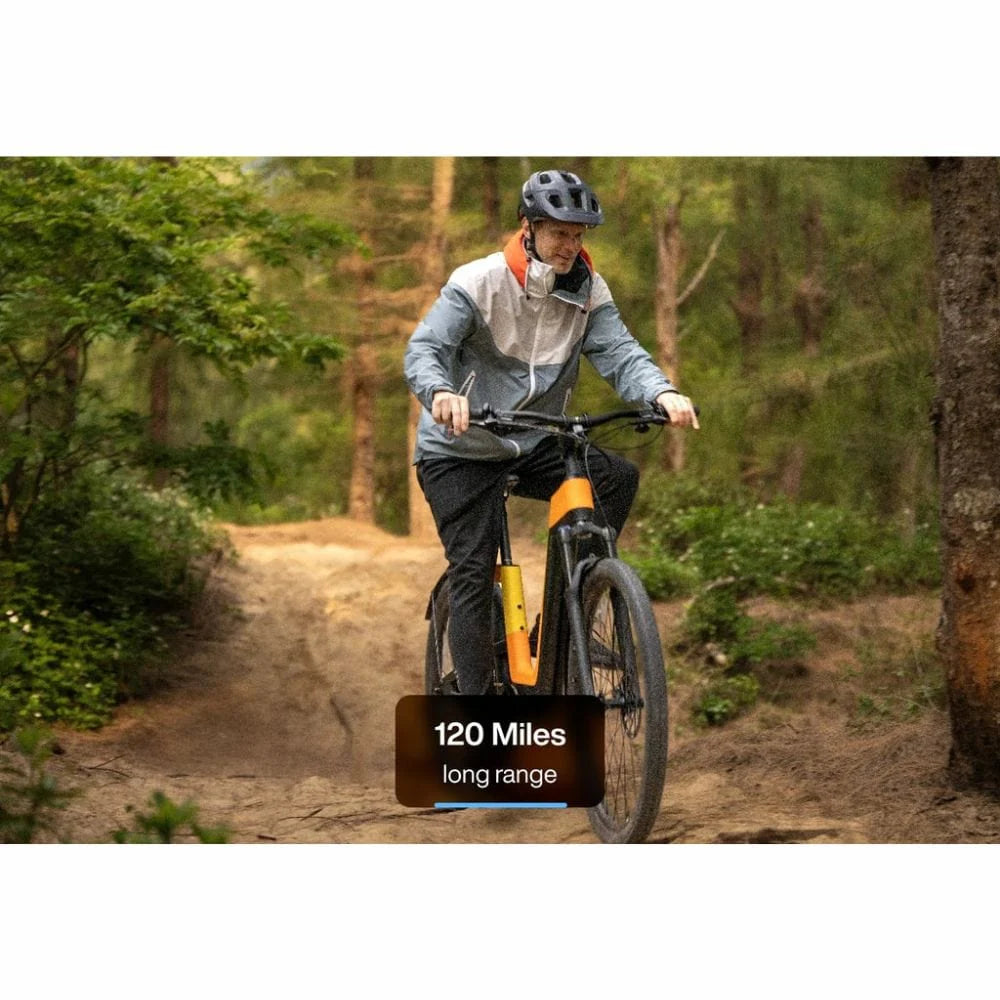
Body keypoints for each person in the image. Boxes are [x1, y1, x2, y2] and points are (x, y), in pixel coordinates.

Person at [404, 168, 698, 694]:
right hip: (460, 446)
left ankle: (565, 624)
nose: (570, 245)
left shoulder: (588, 291)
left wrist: (661, 392)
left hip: (533, 439)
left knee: (614, 478)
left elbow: (620, 352)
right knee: (473, 572)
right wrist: (441, 393)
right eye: (560, 232)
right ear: (529, 227)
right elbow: (425, 350)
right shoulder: (478, 282)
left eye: (578, 235)